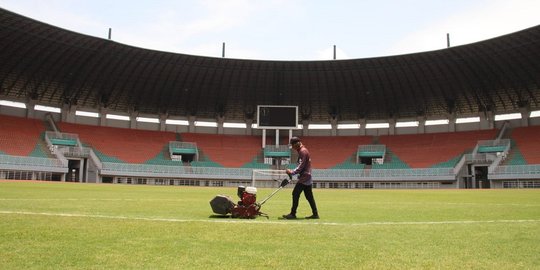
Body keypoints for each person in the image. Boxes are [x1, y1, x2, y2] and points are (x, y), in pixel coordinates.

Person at [283, 136, 319, 219]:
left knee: (295, 193)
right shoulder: (303, 151)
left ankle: (293, 214)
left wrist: (292, 172)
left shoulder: (303, 151)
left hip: (304, 177)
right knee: (309, 196)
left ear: (297, 144)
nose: (292, 147)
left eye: (292, 145)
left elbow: (301, 166)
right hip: (307, 176)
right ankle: (315, 214)